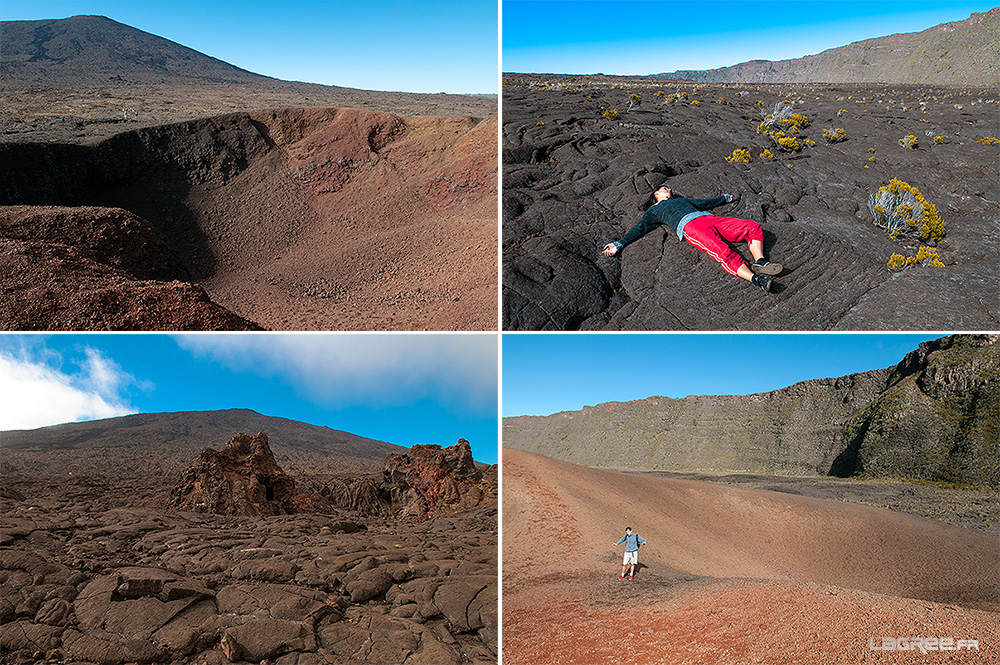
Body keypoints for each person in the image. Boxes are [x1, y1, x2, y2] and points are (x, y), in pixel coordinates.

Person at [602, 186, 782, 292]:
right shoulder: (653, 211)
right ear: (656, 194)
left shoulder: (682, 200)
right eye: (665, 188)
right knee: (722, 252)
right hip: (691, 227)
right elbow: (639, 228)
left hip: (710, 218)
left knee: (752, 227)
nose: (669, 189)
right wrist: (619, 244)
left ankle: (761, 261)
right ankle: (756, 279)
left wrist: (725, 198)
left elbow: (705, 203)